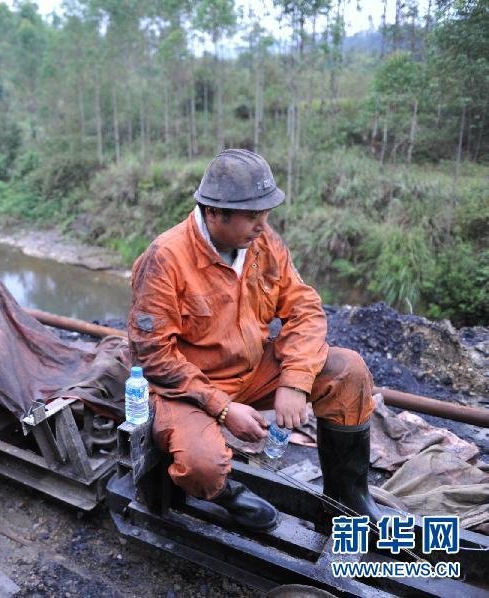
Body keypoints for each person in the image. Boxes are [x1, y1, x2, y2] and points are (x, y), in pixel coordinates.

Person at [127, 149, 380, 532]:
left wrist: (295, 381)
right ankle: (227, 493)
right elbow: (153, 356)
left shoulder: (262, 244)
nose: (263, 225)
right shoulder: (165, 258)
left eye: (266, 214)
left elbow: (304, 309)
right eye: (252, 216)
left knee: (348, 372)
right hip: (189, 387)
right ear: (213, 213)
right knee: (200, 464)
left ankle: (348, 500)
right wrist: (224, 408)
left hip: (252, 369)